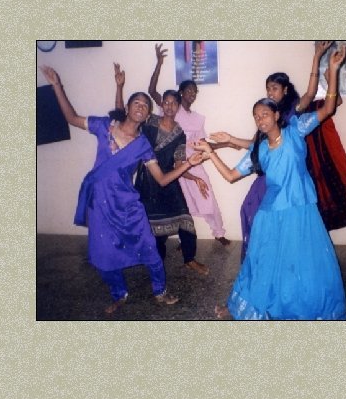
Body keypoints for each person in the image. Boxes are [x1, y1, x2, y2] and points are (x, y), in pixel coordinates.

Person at [191, 44, 346, 320]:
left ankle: (301, 306)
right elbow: (231, 175)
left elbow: (328, 108)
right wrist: (210, 153)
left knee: (304, 264)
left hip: (300, 211)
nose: (260, 119)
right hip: (270, 214)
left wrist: (333, 69)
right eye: (256, 116)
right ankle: (246, 306)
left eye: (264, 114)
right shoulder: (259, 150)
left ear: (277, 115)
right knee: (261, 262)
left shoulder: (296, 129)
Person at [39, 63, 206, 314]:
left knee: (150, 247)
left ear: (148, 114)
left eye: (145, 105)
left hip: (128, 203)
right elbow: (72, 118)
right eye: (136, 103)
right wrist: (56, 86)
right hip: (100, 203)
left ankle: (160, 290)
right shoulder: (104, 126)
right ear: (127, 108)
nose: (141, 106)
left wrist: (188, 164)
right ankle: (119, 294)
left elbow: (162, 179)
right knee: (103, 252)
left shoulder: (143, 145)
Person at [211, 41, 346, 261]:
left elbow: (313, 95)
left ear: (284, 91)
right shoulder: (264, 117)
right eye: (268, 88)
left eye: (274, 88)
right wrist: (221, 144)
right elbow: (254, 146)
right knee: (249, 211)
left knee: (291, 226)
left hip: (291, 176)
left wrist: (318, 58)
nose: (270, 92)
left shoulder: (293, 115)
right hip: (270, 174)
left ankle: (280, 258)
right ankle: (259, 258)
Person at [113, 59, 209, 276]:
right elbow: (122, 116)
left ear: (178, 106)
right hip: (147, 182)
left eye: (173, 103)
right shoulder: (149, 122)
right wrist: (119, 87)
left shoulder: (180, 134)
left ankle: (190, 259)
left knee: (185, 219)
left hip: (169, 181)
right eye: (166, 102)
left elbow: (179, 164)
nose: (169, 106)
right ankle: (155, 262)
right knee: (153, 228)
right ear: (161, 105)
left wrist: (195, 178)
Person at [148, 43, 231, 246]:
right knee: (180, 203)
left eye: (195, 92)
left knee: (207, 196)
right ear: (181, 92)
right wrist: (159, 63)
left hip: (192, 162)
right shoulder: (170, 109)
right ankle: (184, 238)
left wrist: (227, 144)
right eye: (189, 91)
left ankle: (218, 232)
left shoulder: (197, 118)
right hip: (173, 165)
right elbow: (151, 91)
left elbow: (202, 144)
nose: (192, 94)